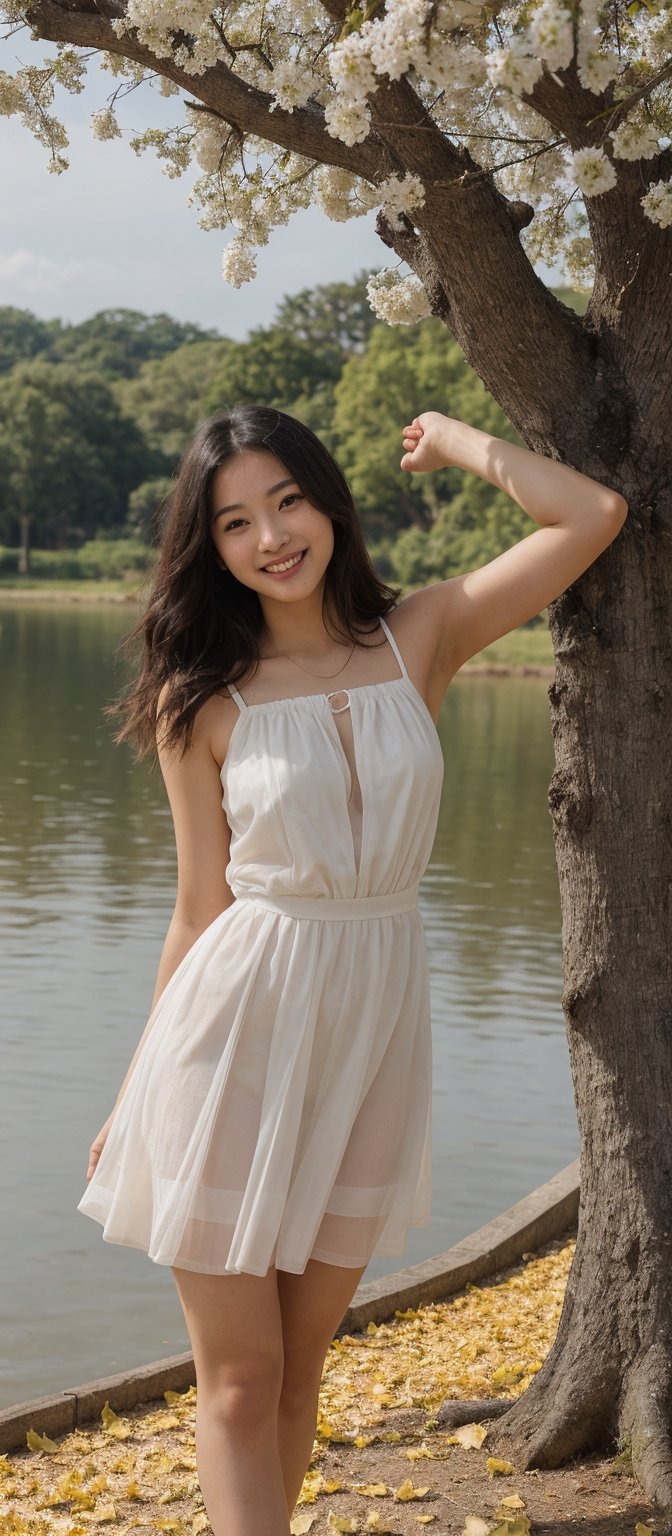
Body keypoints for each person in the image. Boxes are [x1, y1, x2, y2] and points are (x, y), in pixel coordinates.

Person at [78, 404, 626, 1536]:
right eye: (235, 522)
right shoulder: (203, 701)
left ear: (329, 502)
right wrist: (135, 1086)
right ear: (210, 548)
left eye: (288, 501)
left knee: (298, 1379)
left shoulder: (418, 636)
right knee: (236, 1380)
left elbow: (594, 514)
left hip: (371, 1040)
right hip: (231, 1041)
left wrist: (461, 444)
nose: (271, 536)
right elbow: (197, 908)